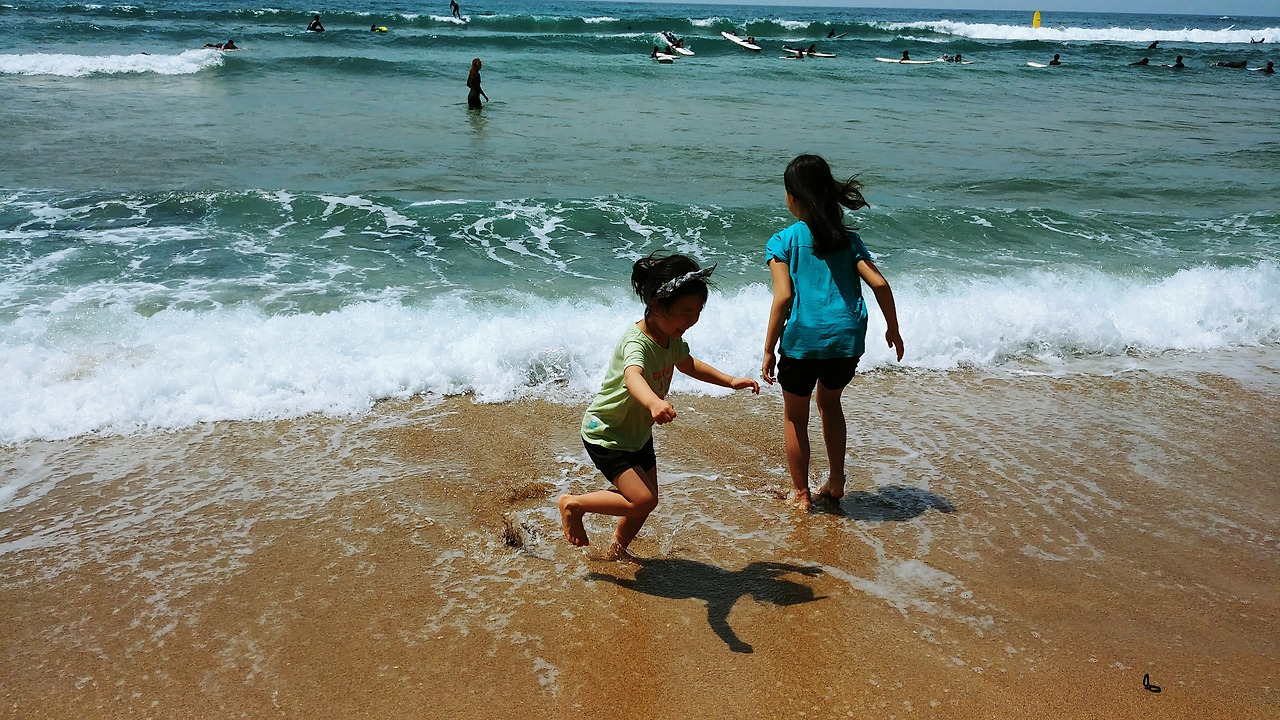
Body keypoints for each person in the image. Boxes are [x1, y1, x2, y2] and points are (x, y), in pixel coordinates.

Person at [558, 254, 760, 562]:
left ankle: (617, 550)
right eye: (685, 312)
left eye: (698, 312)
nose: (692, 320)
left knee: (646, 501)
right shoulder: (636, 342)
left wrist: (730, 381)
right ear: (656, 303)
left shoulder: (670, 336)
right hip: (607, 433)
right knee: (643, 500)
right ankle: (574, 504)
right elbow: (633, 376)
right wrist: (653, 401)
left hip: (637, 434)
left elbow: (688, 364)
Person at [762, 155, 904, 512]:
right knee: (830, 403)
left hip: (802, 340)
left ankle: (801, 494)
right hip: (845, 340)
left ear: (793, 196)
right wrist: (893, 328)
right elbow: (880, 284)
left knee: (795, 416)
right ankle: (836, 481)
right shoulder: (848, 240)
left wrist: (767, 349)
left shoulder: (782, 241)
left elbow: (784, 297)